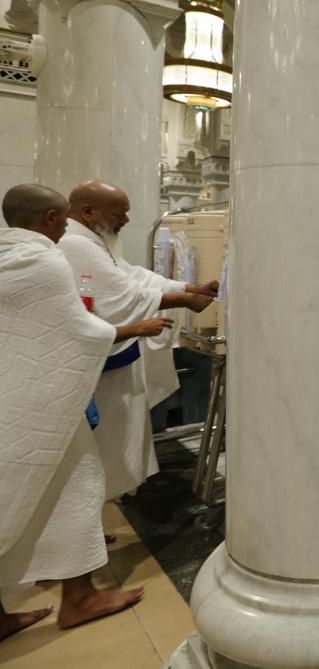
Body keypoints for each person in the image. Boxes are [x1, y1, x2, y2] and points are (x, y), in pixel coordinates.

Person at [0, 184, 173, 639]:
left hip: (9, 398)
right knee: (77, 482)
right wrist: (139, 327)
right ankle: (79, 598)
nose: (67, 228)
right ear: (52, 219)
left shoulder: (6, 254)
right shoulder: (46, 261)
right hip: (44, 405)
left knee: (9, 495)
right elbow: (78, 330)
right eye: (64, 219)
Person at [59, 180, 217, 500]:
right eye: (119, 213)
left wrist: (188, 288)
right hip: (101, 370)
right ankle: (95, 507)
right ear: (88, 212)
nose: (126, 220)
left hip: (113, 364)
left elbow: (133, 276)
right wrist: (184, 300)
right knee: (103, 448)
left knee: (113, 445)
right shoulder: (76, 244)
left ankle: (102, 505)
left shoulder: (91, 240)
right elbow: (122, 297)